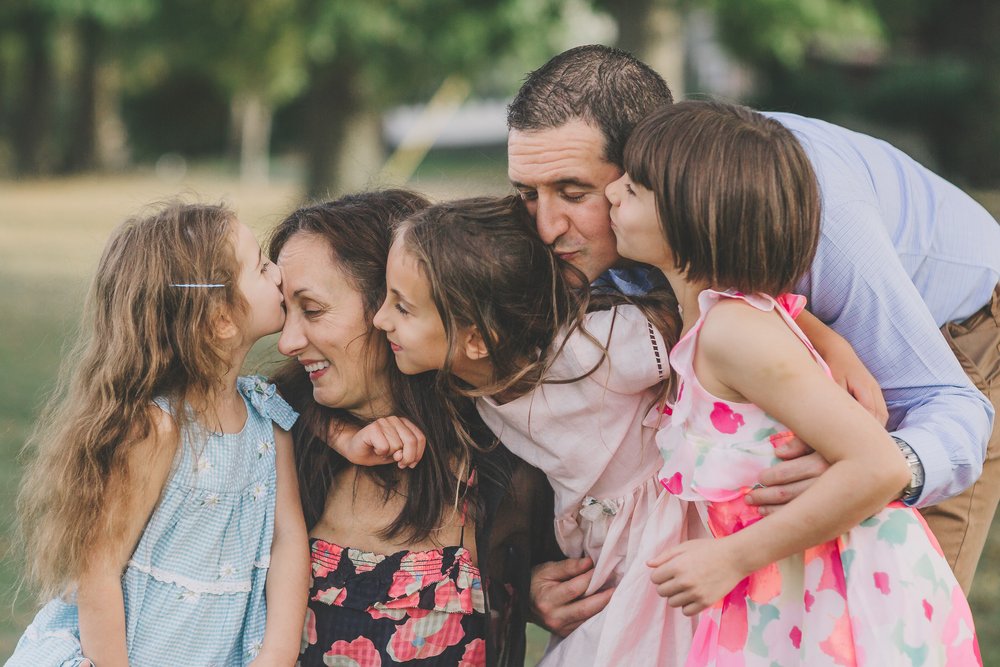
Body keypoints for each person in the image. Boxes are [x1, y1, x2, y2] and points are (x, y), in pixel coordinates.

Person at [507, 46, 1000, 632]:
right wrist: (536, 571)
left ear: (651, 165)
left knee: (878, 619)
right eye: (527, 193)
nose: (544, 228)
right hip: (774, 356)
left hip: (947, 337)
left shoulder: (812, 216)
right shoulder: (606, 236)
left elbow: (949, 408)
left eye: (571, 191)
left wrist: (877, 469)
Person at [610, 99, 980, 665]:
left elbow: (879, 465)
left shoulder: (735, 333)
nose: (612, 192)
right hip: (788, 585)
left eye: (634, 189)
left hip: (839, 591)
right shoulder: (722, 312)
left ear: (694, 215)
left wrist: (731, 559)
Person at [372, 194, 699, 664]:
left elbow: (699, 323)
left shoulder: (590, 352)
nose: (380, 318)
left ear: (478, 340)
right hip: (603, 551)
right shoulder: (468, 387)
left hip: (667, 535)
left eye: (402, 308)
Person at [8, 201, 309, 666]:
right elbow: (99, 571)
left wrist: (277, 654)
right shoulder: (159, 428)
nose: (278, 275)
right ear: (221, 320)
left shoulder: (269, 421)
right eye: (260, 266)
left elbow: (288, 541)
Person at [269, 191, 559, 667]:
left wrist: (518, 588)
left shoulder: (501, 450)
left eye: (313, 310)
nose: (287, 341)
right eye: (285, 310)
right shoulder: (275, 441)